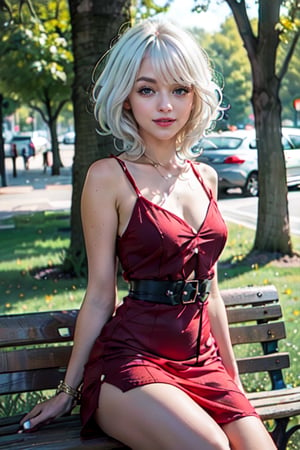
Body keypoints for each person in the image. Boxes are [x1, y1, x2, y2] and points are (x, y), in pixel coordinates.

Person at [20, 19, 277, 450]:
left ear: (196, 96)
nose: (165, 105)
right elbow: (101, 293)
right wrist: (68, 390)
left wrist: (233, 382)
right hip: (131, 363)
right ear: (126, 97)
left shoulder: (207, 177)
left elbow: (209, 292)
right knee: (209, 448)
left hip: (202, 361)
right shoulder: (108, 177)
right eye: (147, 89)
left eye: (179, 89)